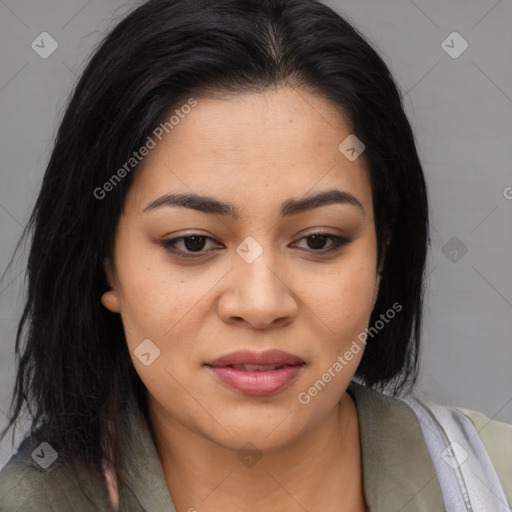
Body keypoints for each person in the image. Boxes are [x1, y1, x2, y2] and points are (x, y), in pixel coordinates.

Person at [0, 0, 510, 510]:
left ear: (383, 252)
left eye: (318, 240)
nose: (261, 303)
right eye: (194, 242)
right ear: (106, 262)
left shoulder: (493, 481)